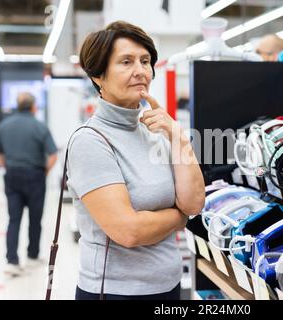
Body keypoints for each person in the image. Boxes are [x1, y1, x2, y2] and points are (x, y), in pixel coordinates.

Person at [69, 21, 205, 300]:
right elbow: (128, 231)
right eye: (126, 62)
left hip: (167, 285)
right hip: (116, 291)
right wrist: (178, 217)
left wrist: (177, 136)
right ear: (98, 75)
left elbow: (193, 203)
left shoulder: (156, 131)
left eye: (145, 61)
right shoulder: (90, 140)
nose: (140, 71)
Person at [0, 92, 58, 276]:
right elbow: (53, 155)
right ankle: (32, 256)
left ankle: (12, 261)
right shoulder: (40, 126)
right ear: (33, 107)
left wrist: (7, 165)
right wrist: (44, 172)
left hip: (12, 175)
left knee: (13, 219)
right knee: (35, 219)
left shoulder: (4, 125)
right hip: (35, 176)